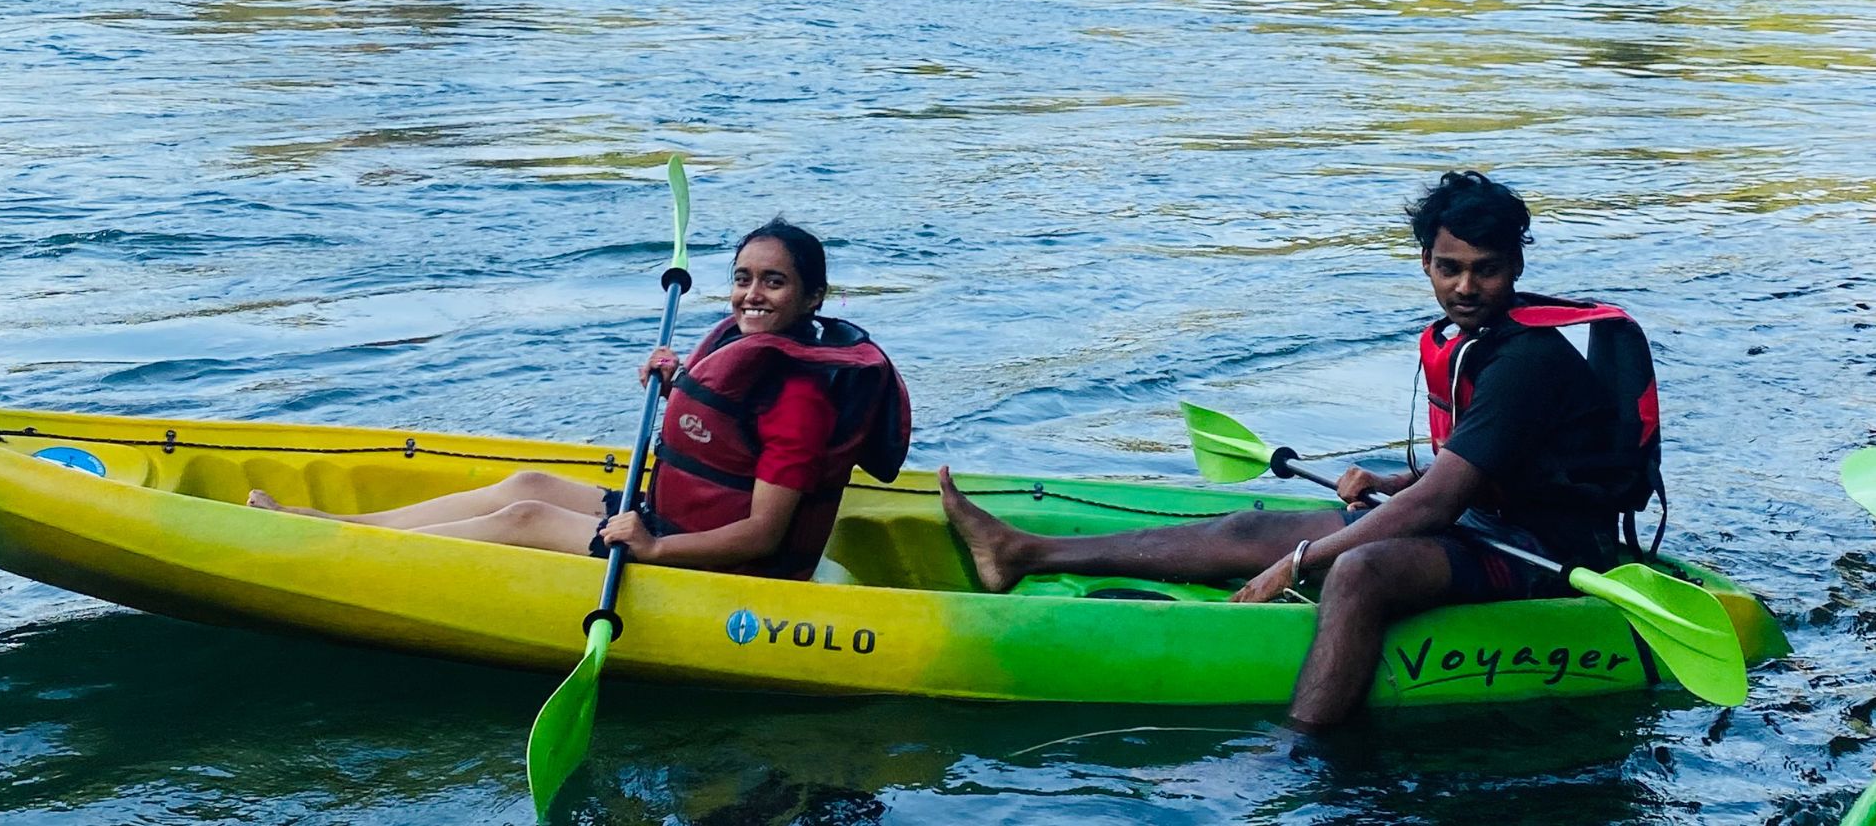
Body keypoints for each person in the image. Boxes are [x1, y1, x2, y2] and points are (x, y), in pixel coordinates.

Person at [940, 171, 1653, 729]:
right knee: (1251, 527)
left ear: (1516, 263)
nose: (1465, 286)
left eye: (1486, 269)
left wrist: (1303, 562)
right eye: (1448, 266)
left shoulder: (1528, 360)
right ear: (1426, 260)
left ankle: (1305, 752)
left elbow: (1444, 498)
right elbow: (1478, 465)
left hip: (1545, 552)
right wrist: (1389, 477)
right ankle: (1022, 553)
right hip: (1482, 518)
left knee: (1360, 571)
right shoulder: (1472, 339)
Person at [249, 218, 910, 580]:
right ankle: (328, 527)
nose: (752, 296)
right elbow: (728, 434)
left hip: (716, 563)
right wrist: (679, 381)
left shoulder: (803, 401)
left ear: (812, 299)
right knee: (527, 481)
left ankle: (344, 560)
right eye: (742, 279)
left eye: (775, 282)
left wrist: (652, 551)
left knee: (528, 518)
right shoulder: (749, 356)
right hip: (668, 515)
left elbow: (762, 536)